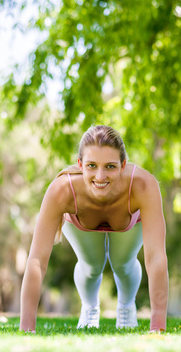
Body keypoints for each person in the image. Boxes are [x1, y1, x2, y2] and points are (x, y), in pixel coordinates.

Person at [19, 125, 168, 333]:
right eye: (91, 166)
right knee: (91, 266)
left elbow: (156, 258)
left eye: (110, 166)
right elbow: (37, 260)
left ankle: (126, 307)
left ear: (123, 165)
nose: (100, 176)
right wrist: (27, 329)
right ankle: (89, 308)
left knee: (123, 265)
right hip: (80, 222)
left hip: (129, 223)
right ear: (80, 164)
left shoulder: (143, 185)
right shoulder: (62, 190)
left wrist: (158, 327)